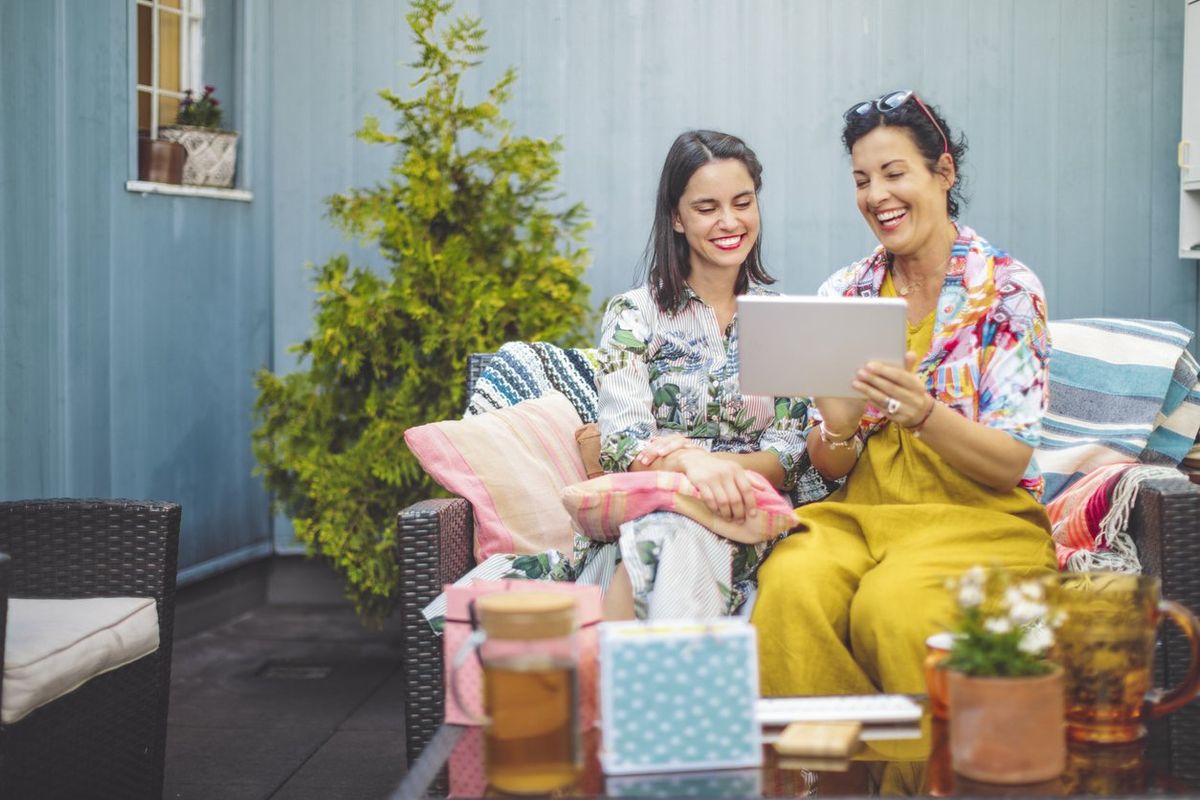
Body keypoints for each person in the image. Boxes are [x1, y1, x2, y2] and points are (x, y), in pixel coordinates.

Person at [752, 90, 1057, 695]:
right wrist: (838, 426)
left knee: (892, 608)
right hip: (863, 517)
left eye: (895, 174)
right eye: (862, 179)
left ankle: (919, 782)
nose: (876, 196)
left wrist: (922, 416)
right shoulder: (845, 291)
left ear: (944, 173)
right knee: (791, 583)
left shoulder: (1007, 291)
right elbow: (829, 462)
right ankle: (826, 780)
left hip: (979, 520)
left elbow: (1009, 463)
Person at [593, 129, 810, 620]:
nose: (729, 221)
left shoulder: (781, 318)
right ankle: (677, 687)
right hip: (666, 511)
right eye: (707, 207)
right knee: (668, 539)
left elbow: (791, 452)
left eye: (743, 202)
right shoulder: (634, 315)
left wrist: (715, 472)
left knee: (668, 546)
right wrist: (696, 470)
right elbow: (623, 446)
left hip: (756, 517)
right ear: (676, 216)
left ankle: (659, 686)